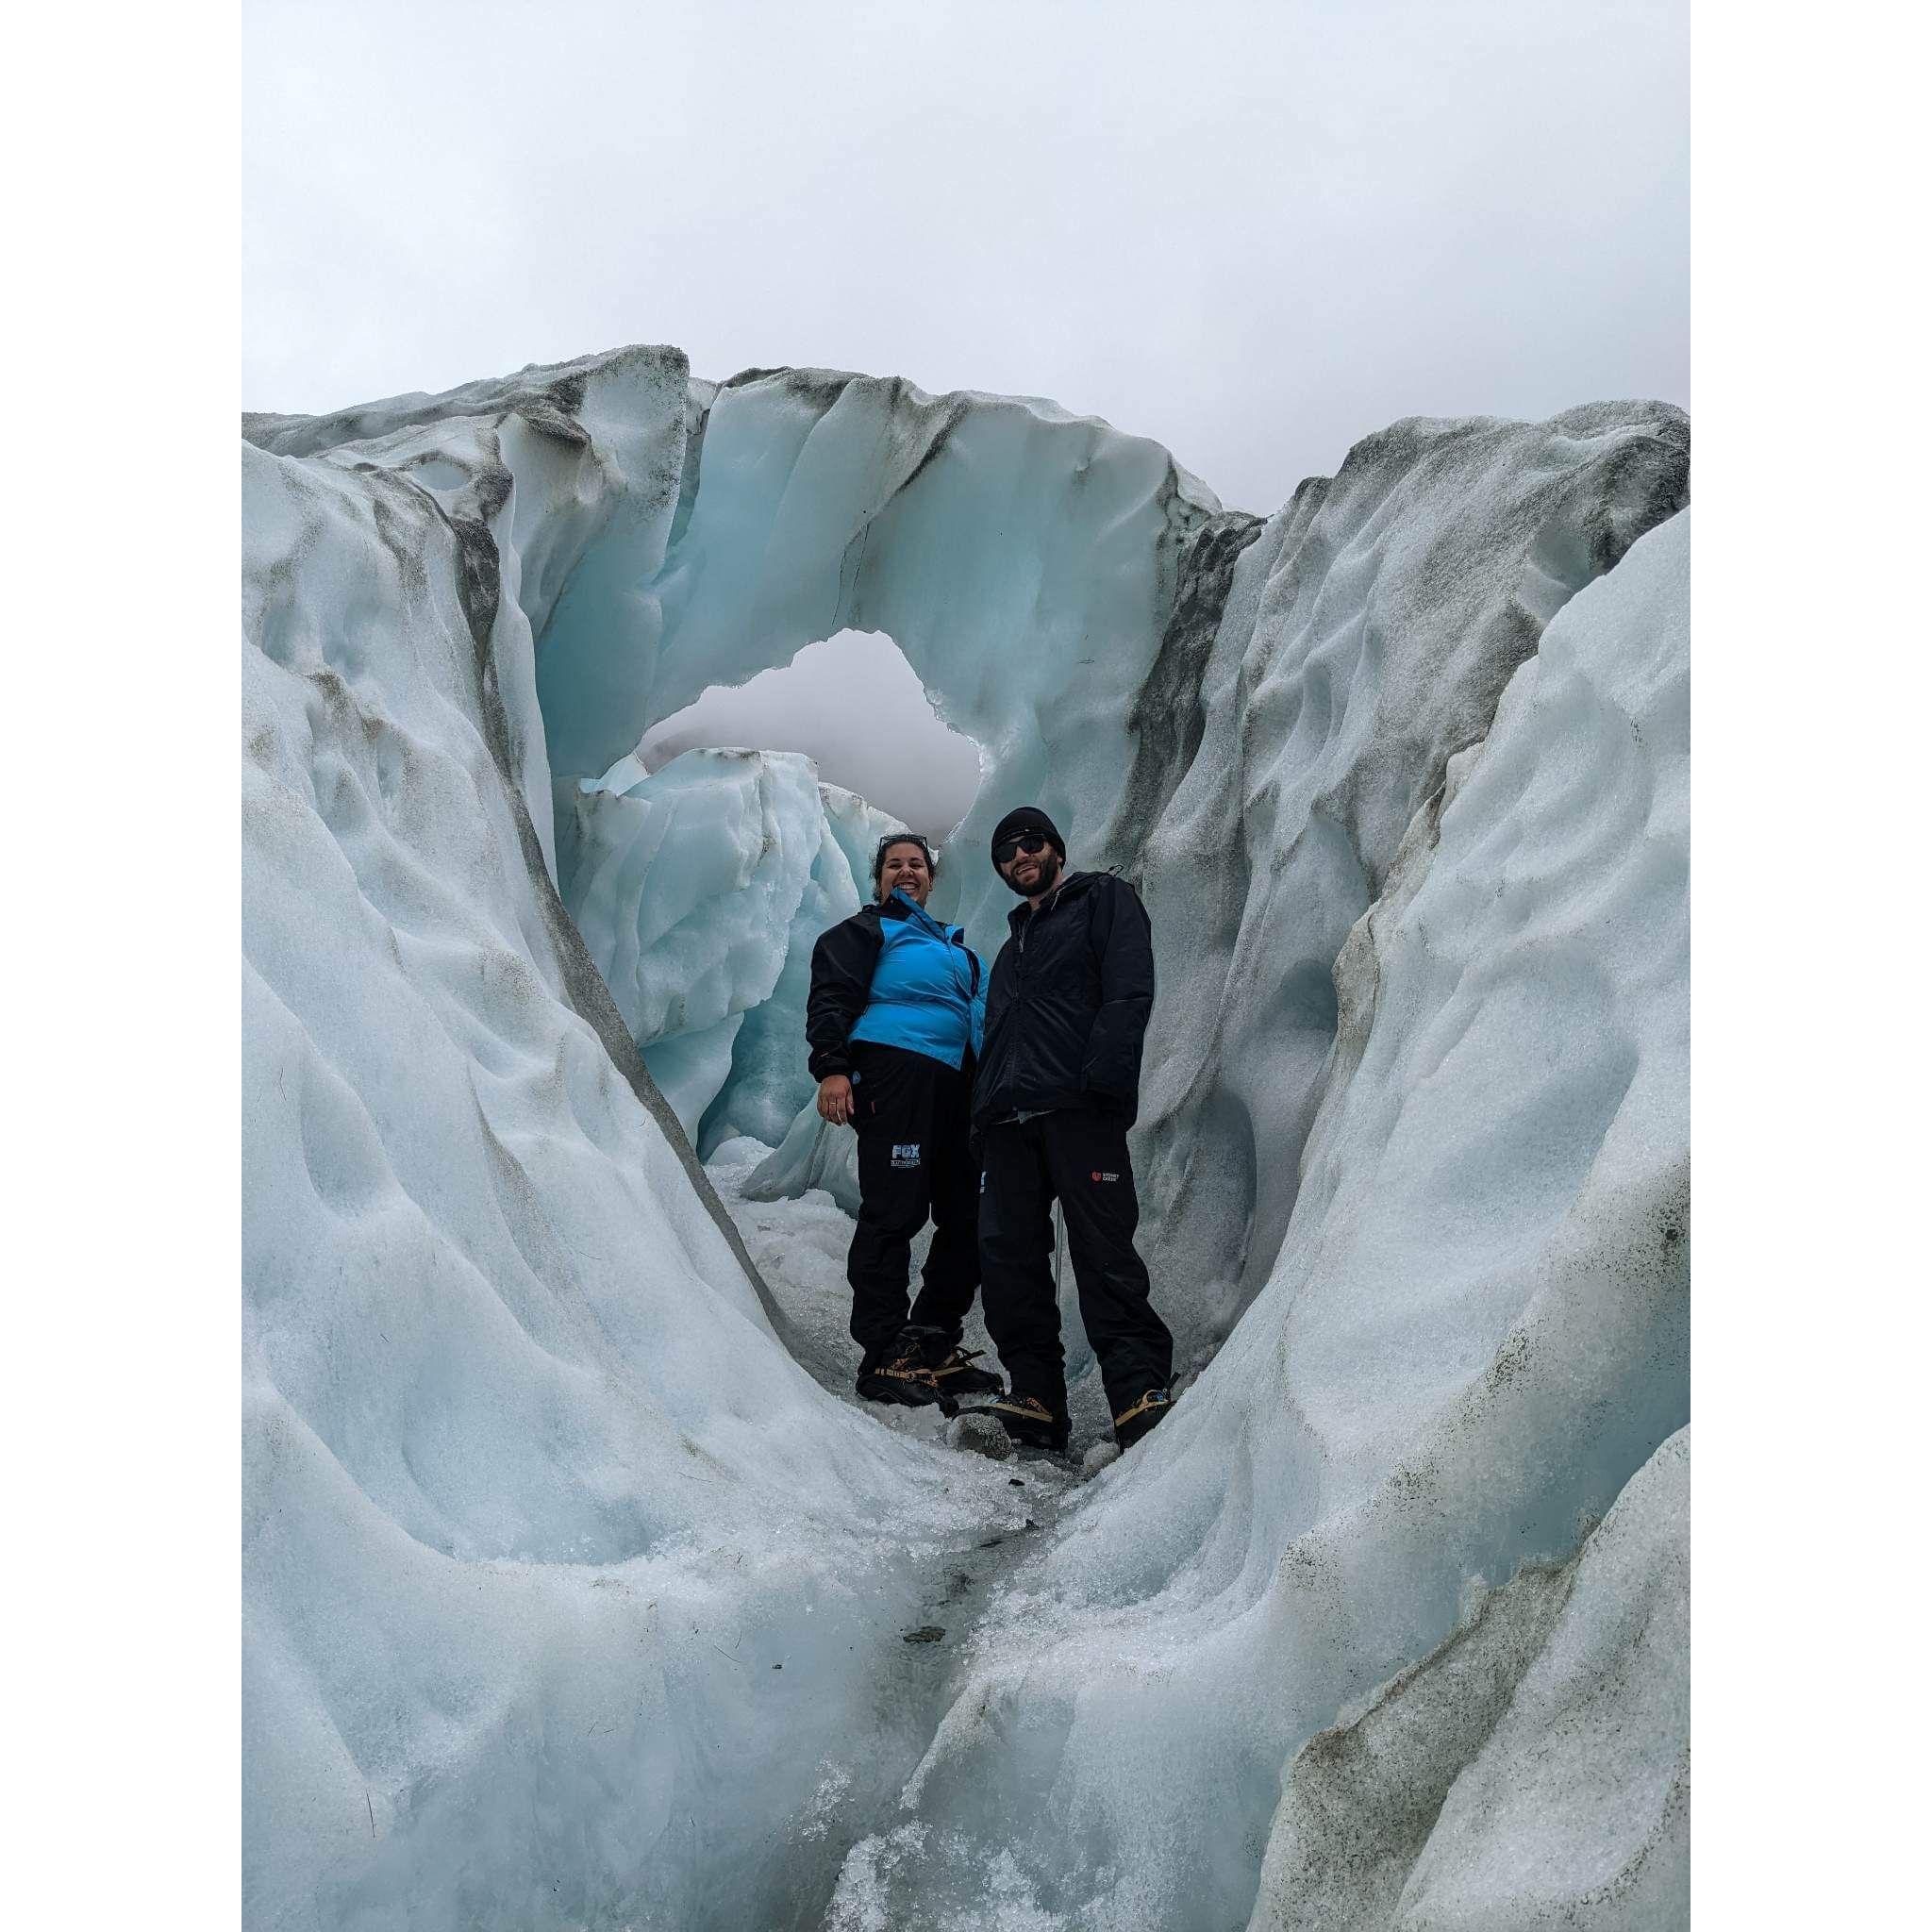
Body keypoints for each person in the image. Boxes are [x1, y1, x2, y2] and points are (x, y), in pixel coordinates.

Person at [969, 807, 1175, 1454]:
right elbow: (997, 1037)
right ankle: (1036, 1399)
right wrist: (983, 1114)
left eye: (1031, 844)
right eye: (1007, 852)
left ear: (1057, 848)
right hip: (1009, 1124)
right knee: (1009, 1262)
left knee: (1103, 1251)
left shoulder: (1102, 901)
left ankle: (1137, 1390)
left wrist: (1105, 1082)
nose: (1020, 857)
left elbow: (1128, 989)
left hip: (1079, 1109)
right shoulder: (1009, 950)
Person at [806, 832, 1003, 1409]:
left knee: (965, 1216)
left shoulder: (959, 949)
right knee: (894, 1211)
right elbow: (832, 996)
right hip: (895, 1075)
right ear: (879, 878)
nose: (907, 871)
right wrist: (832, 1068)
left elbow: (989, 1020)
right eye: (895, 865)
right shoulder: (867, 931)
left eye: (916, 864)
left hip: (958, 1086)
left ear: (932, 878)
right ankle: (883, 1349)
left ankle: (930, 1339)